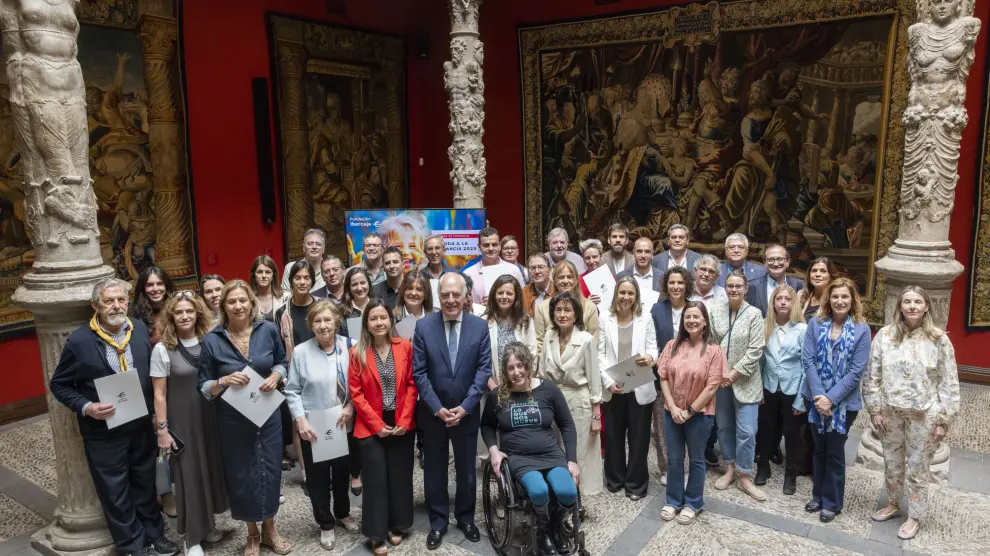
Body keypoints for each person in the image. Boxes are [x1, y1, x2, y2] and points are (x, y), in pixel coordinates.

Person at [50, 278, 180, 556]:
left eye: (121, 300)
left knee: (145, 483)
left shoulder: (139, 329)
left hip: (140, 425)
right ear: (95, 305)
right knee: (115, 490)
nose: (116, 306)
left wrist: (157, 416)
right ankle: (132, 545)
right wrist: (87, 406)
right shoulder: (79, 341)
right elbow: (59, 385)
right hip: (103, 432)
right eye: (109, 301)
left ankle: (155, 535)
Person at [198, 280, 292, 555]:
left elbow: (282, 362)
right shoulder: (212, 340)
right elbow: (203, 386)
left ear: (251, 303)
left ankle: (270, 530)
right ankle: (252, 533)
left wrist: (275, 376)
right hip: (233, 421)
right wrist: (224, 380)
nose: (238, 306)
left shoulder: (268, 330)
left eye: (243, 300)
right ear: (223, 306)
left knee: (271, 471)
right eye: (232, 301)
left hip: (268, 414)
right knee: (243, 476)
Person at [864, 286, 960, 540]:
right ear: (900, 306)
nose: (912, 306)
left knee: (918, 466)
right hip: (890, 411)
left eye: (918, 302)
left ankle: (915, 515)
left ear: (926, 306)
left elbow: (949, 382)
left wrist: (943, 420)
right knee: (892, 461)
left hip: (924, 414)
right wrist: (874, 410)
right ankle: (893, 502)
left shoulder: (938, 339)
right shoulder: (885, 335)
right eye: (907, 301)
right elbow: (873, 375)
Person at [412, 273, 491, 549]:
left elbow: (484, 370)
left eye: (456, 294)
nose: (450, 300)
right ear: (438, 296)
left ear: (465, 296)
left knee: (467, 471)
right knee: (434, 471)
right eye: (445, 294)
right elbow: (419, 373)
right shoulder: (423, 327)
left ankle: (466, 518)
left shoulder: (479, 326)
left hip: (466, 413)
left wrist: (466, 406)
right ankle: (438, 521)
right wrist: (437, 408)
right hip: (433, 414)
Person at [482, 343, 580, 555]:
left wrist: (572, 460)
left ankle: (555, 527)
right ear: (505, 370)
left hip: (550, 454)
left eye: (520, 366)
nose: (516, 372)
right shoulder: (498, 395)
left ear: (528, 365)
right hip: (520, 457)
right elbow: (487, 425)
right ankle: (544, 532)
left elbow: (567, 425)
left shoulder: (548, 390)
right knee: (538, 490)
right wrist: (494, 450)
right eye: (511, 368)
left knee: (568, 491)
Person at [151, 291, 229, 556]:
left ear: (198, 313)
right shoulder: (163, 349)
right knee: (189, 476)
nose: (184, 316)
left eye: (189, 311)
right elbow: (159, 394)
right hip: (183, 422)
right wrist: (162, 430)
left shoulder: (211, 340)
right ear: (171, 316)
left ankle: (208, 526)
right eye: (179, 312)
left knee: (209, 470)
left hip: (210, 417)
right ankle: (191, 538)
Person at [284, 300, 360, 550]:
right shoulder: (301, 352)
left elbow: (359, 384)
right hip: (314, 426)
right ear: (311, 325)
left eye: (327, 320)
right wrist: (301, 420)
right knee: (317, 479)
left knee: (342, 473)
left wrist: (351, 406)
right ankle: (325, 523)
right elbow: (292, 390)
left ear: (336, 321)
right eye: (317, 321)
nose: (323, 325)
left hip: (343, 423)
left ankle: (343, 512)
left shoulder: (350, 346)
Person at [350, 299, 418, 554]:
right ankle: (376, 534)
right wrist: (377, 425)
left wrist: (404, 420)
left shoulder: (405, 347)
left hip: (400, 421)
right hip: (371, 425)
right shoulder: (357, 352)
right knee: (376, 479)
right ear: (366, 323)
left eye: (383, 317)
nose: (379, 322)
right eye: (373, 318)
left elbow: (412, 385)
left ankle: (397, 524)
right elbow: (356, 394)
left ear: (391, 320)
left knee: (400, 476)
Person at [801, 277, 871, 523]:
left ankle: (832, 502)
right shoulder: (815, 324)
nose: (840, 301)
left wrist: (830, 399)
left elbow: (856, 371)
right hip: (815, 399)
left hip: (844, 404)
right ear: (828, 299)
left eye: (845, 296)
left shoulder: (862, 330)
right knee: (818, 448)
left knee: (834, 451)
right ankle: (818, 496)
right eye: (835, 296)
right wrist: (820, 396)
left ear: (852, 300)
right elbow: (808, 361)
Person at [656, 301, 726, 525]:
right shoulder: (672, 346)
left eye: (696, 317)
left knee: (696, 459)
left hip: (700, 415)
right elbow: (663, 377)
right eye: (688, 317)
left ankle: (693, 503)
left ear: (705, 321)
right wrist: (673, 407)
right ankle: (673, 501)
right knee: (674, 459)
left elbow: (712, 386)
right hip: (672, 412)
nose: (692, 321)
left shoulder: (714, 351)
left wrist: (690, 411)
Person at [599, 277, 657, 499]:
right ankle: (615, 479)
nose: (626, 297)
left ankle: (636, 484)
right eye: (622, 292)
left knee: (639, 438)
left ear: (636, 296)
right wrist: (608, 382)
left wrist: (650, 357)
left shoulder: (645, 318)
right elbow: (600, 354)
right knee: (613, 436)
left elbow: (653, 347)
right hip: (614, 386)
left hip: (639, 385)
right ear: (616, 294)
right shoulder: (605, 317)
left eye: (630, 293)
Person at [710, 270, 767, 501]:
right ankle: (730, 468)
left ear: (746, 289)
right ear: (725, 288)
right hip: (721, 381)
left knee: (747, 431)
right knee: (724, 427)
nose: (734, 289)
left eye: (738, 286)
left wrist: (733, 374)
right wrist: (720, 373)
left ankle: (744, 476)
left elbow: (756, 349)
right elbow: (712, 345)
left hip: (746, 382)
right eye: (730, 286)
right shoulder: (716, 312)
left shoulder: (754, 314)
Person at [541, 291, 603, 495]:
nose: (562, 314)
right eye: (558, 310)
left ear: (576, 315)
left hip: (578, 399)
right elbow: (541, 371)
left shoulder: (585, 339)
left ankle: (579, 495)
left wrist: (596, 414)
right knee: (555, 447)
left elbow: (594, 377)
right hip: (552, 400)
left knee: (580, 451)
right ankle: (559, 490)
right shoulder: (549, 336)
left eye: (567, 310)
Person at [754, 285, 808, 495]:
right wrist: (758, 389)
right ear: (773, 303)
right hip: (768, 385)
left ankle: (791, 473)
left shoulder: (802, 329)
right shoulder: (765, 325)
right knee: (765, 427)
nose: (783, 302)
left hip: (792, 388)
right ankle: (763, 465)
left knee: (792, 432)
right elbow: (759, 361)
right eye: (779, 299)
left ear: (794, 303)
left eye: (788, 299)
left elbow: (806, 366)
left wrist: (801, 400)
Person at [650, 266, 694, 484]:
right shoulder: (657, 310)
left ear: (687, 285)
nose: (676, 286)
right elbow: (652, 341)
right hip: (663, 376)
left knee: (688, 425)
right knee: (662, 426)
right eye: (672, 282)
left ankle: (685, 470)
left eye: (680, 282)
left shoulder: (695, 308)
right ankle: (666, 469)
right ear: (666, 286)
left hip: (690, 377)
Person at [534, 260, 599, 363]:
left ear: (576, 280)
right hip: (550, 366)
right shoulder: (542, 308)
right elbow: (539, 343)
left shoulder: (590, 307)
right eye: (561, 277)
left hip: (581, 366)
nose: (565, 281)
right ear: (554, 281)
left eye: (569, 277)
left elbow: (594, 342)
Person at [484, 275, 538, 381]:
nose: (504, 296)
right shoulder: (483, 322)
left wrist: (525, 382)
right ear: (494, 295)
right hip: (493, 385)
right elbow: (480, 361)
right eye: (500, 293)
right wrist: (493, 387)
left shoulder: (525, 321)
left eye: (509, 293)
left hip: (521, 383)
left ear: (516, 296)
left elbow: (532, 355)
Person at [462, 226, 524, 304]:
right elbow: (465, 304)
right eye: (486, 245)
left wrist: (497, 302)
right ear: (479, 247)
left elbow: (522, 300)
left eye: (494, 244)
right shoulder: (468, 274)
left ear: (500, 245)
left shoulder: (513, 270)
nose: (491, 248)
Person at [746, 245, 804, 317]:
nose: (776, 264)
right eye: (771, 259)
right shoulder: (751, 286)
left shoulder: (800, 285)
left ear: (787, 262)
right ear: (765, 263)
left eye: (780, 259)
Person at [129, 266, 174, 346]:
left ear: (166, 286)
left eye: (159, 284)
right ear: (143, 288)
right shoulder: (134, 315)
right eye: (150, 285)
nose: (155, 289)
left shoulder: (177, 309)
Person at [282, 228, 327, 293]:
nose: (314, 247)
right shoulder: (290, 268)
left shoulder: (330, 270)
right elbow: (285, 295)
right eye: (310, 243)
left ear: (323, 249)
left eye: (318, 244)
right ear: (303, 247)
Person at [799, 256, 839, 322]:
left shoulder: (836, 299)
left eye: (823, 271)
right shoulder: (801, 296)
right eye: (814, 271)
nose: (817, 274)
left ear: (831, 276)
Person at [338, 267, 373, 339]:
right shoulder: (340, 311)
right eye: (354, 284)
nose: (359, 288)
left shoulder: (378, 306)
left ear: (369, 284)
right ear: (349, 287)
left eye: (363, 283)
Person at [252, 255, 287, 325]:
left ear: (273, 275)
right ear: (254, 275)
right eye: (259, 272)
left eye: (268, 272)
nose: (264, 276)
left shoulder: (285, 297)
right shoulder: (249, 299)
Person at [578, 238, 605, 305]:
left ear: (601, 256)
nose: (591, 261)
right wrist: (586, 302)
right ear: (583, 259)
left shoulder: (610, 278)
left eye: (595, 257)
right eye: (587, 258)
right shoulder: (578, 281)